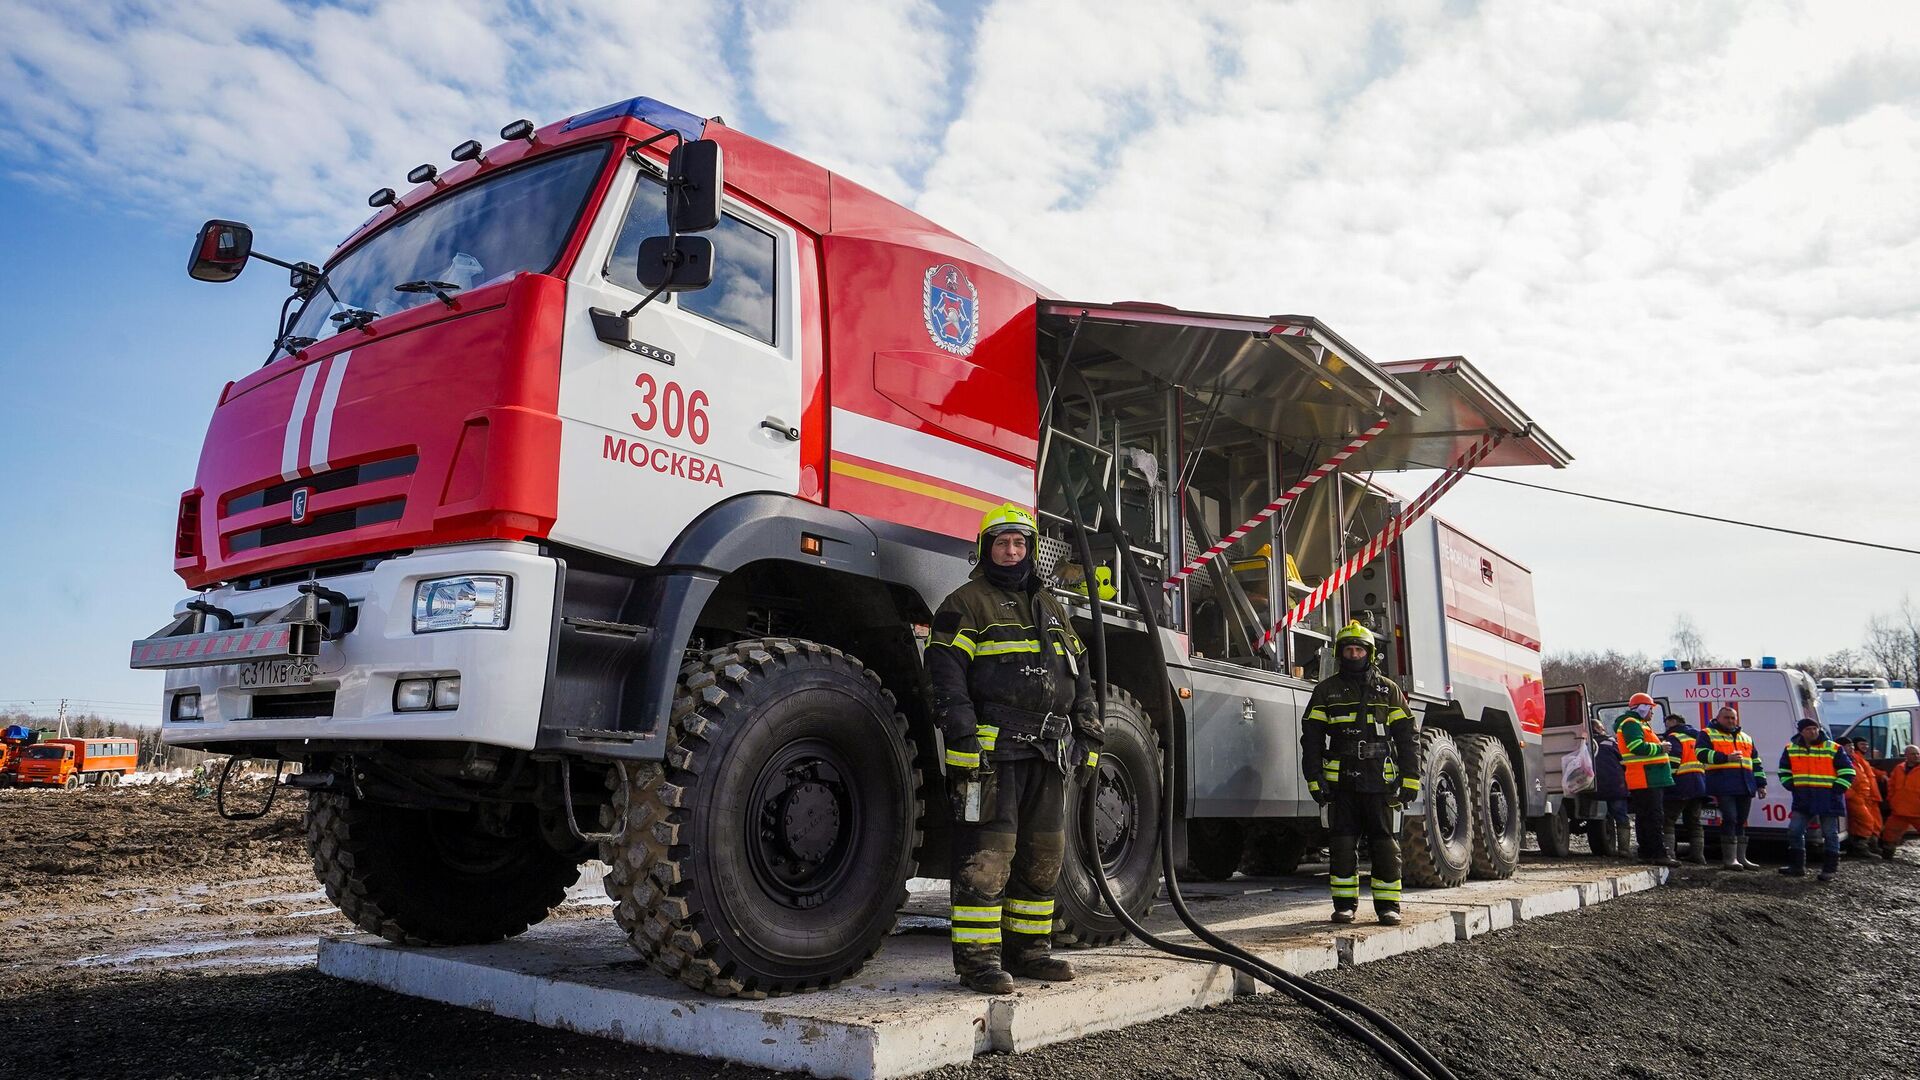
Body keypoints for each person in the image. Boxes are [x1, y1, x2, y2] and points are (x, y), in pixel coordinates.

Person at [925, 503, 1102, 994]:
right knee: (988, 858)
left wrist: (1087, 731)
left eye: (1020, 543)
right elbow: (944, 681)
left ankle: (1031, 953)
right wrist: (962, 741)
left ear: (1030, 549)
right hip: (993, 754)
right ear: (987, 548)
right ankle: (979, 963)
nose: (1011, 550)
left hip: (1048, 754)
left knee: (1045, 854)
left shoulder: (1052, 607)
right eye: (1002, 542)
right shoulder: (965, 604)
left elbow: (1080, 678)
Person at [1301, 621, 1419, 925]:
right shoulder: (1326, 691)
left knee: (1385, 846)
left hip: (1380, 782)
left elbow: (1407, 737)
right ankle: (1344, 906)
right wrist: (1314, 778)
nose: (1354, 655)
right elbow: (1311, 738)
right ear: (1341, 654)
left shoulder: (1388, 690)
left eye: (1359, 649)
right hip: (1341, 783)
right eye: (1349, 650)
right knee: (1341, 845)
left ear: (1370, 653)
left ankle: (1388, 907)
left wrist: (1410, 778)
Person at [1776, 718, 1855, 882]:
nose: (1813, 732)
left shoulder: (1833, 748)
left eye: (1815, 728)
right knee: (1795, 831)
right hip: (1803, 797)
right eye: (1809, 729)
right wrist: (1790, 785)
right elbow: (1784, 770)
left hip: (1828, 798)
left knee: (1830, 834)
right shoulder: (1790, 749)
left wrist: (1837, 790)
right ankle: (1797, 867)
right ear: (1801, 732)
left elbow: (1848, 771)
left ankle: (1829, 869)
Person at [1701, 704, 1766, 870]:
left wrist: (1761, 784)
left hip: (1745, 785)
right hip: (1723, 784)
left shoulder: (1746, 737)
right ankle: (1730, 859)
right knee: (1730, 818)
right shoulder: (1707, 733)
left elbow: (1756, 763)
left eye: (1733, 718)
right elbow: (1701, 753)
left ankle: (1741, 858)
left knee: (1741, 820)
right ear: (1718, 718)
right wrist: (1725, 758)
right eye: (1726, 717)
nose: (1730, 721)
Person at [1615, 693, 1677, 867]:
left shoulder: (1637, 724)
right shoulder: (1632, 724)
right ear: (1643, 708)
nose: (1652, 713)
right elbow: (1636, 747)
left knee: (1645, 817)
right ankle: (1658, 853)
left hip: (1645, 777)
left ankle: (1647, 852)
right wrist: (1661, 747)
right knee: (1653, 817)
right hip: (1646, 777)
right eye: (1651, 709)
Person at [1661, 708, 1711, 865]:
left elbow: (1673, 762)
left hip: (1681, 785)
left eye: (1667, 724)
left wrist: (1667, 782)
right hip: (1699, 786)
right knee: (1694, 822)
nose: (1666, 727)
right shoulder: (1697, 737)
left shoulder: (1674, 737)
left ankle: (1669, 854)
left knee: (1668, 820)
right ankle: (1698, 855)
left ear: (1674, 723)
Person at [1591, 718, 1633, 856]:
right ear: (1598, 729)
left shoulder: (1585, 744)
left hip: (1594, 788)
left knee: (1603, 818)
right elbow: (1624, 761)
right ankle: (1624, 850)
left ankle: (1607, 846)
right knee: (1621, 818)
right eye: (1602, 728)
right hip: (1616, 786)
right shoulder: (1611, 742)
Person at [1844, 737, 1884, 857]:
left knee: (1870, 822)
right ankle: (1861, 848)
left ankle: (1867, 846)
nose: (1865, 747)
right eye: (1862, 744)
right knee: (1867, 822)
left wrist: (1881, 774)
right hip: (1857, 797)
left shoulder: (1855, 759)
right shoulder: (1850, 759)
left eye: (1852, 746)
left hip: (1865, 796)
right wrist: (1854, 795)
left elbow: (1868, 771)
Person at [1879, 744, 1920, 859]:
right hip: (1899, 810)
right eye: (1913, 754)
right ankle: (1887, 856)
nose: (1916, 756)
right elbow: (1891, 785)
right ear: (1906, 755)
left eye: (1918, 753)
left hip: (1917, 810)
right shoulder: (1899, 768)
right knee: (1889, 833)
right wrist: (1892, 800)